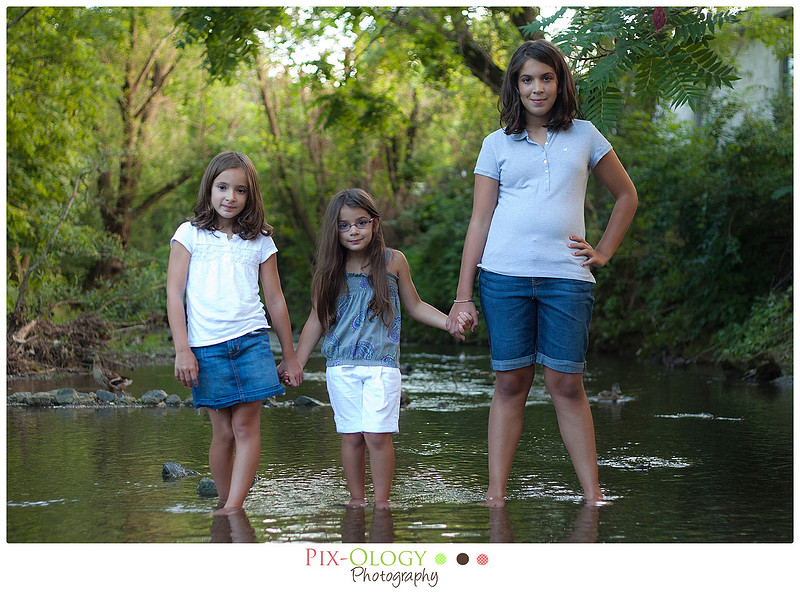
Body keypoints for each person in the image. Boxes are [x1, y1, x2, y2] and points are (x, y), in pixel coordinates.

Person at [446, 39, 638, 506]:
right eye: (527, 79)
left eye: (546, 78)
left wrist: (603, 252)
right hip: (503, 278)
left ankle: (593, 495)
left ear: (560, 82)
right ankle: (495, 496)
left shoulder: (586, 135)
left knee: (566, 384)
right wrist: (463, 295)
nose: (537, 88)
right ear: (515, 86)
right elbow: (480, 220)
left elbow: (626, 196)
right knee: (511, 382)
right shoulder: (495, 144)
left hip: (566, 279)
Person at [286, 188, 473, 509]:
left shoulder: (393, 261)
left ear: (374, 223)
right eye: (344, 225)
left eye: (361, 222)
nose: (353, 231)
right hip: (341, 366)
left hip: (382, 365)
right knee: (351, 436)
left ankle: (382, 503)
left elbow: (415, 305)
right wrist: (296, 362)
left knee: (377, 435)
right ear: (334, 230)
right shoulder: (329, 270)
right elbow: (316, 319)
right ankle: (357, 501)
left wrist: (449, 323)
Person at [166, 150, 303, 515]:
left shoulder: (260, 240)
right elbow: (174, 293)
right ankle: (225, 502)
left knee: (245, 426)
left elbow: (275, 300)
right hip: (206, 347)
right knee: (224, 433)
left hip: (252, 341)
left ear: (250, 195)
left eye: (240, 190)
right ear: (209, 188)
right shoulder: (189, 235)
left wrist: (290, 356)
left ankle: (233, 508)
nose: (231, 197)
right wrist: (182, 349)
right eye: (223, 187)